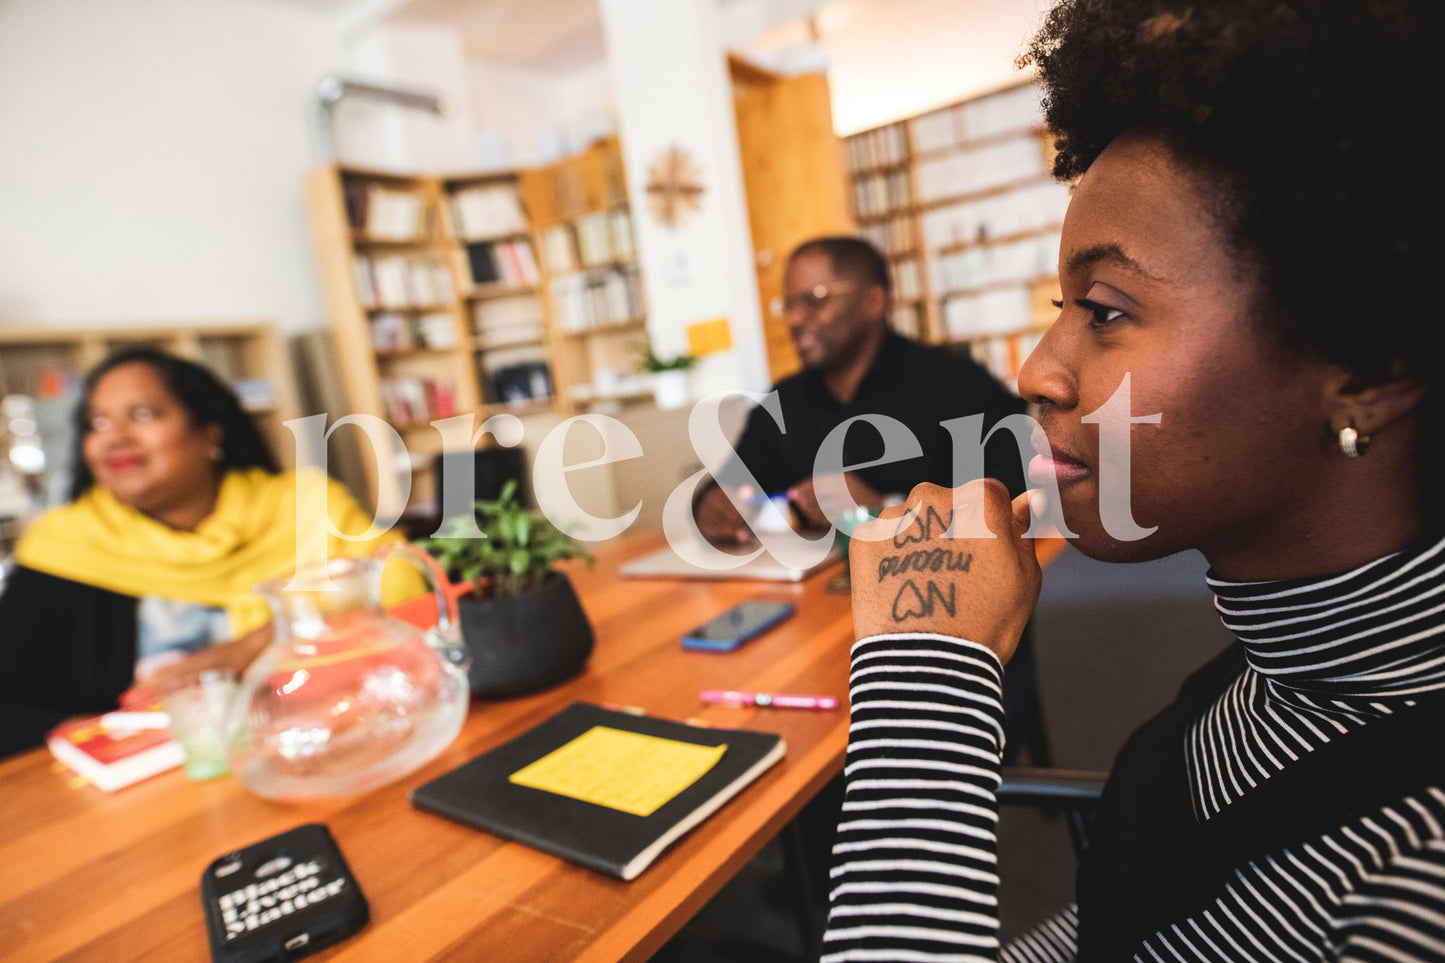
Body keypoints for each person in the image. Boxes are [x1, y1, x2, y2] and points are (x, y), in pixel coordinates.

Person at [824, 1, 1445, 961]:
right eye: (1059, 306)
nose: (1036, 368)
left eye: (1106, 311)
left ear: (1368, 371)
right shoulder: (1274, 665)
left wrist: (922, 681)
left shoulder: (1414, 874)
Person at [0, 348, 408, 758]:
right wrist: (93, 736)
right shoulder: (64, 546)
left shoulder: (306, 505)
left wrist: (257, 645)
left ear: (210, 433)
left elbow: (409, 591)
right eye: (97, 422)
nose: (115, 437)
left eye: (143, 414)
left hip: (342, 736)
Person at [694, 235, 1027, 545]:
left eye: (815, 300)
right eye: (789, 304)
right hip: (818, 596)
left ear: (873, 301)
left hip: (942, 593)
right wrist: (714, 507)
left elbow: (1014, 500)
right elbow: (725, 486)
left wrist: (886, 509)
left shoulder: (957, 384)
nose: (795, 319)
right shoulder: (782, 404)